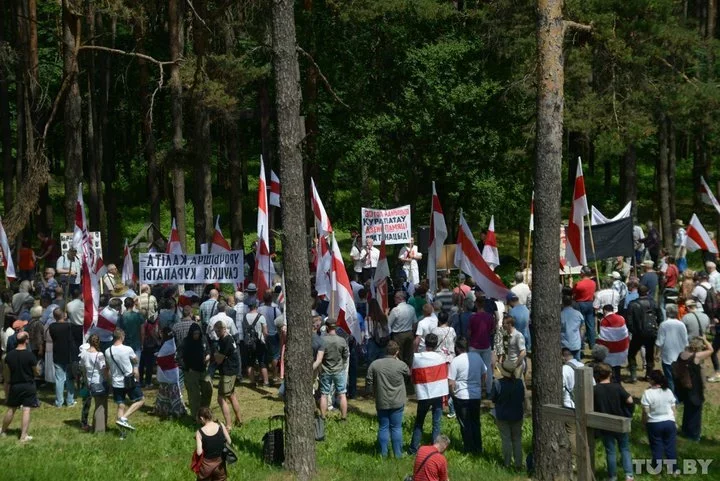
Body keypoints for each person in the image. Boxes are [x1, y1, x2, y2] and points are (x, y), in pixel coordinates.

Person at [366, 340, 410, 458]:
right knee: (396, 427)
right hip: (397, 400)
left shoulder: (375, 364)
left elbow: (369, 381)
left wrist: (370, 393)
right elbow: (409, 375)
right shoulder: (401, 365)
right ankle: (398, 454)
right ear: (397, 352)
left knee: (383, 427)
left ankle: (383, 454)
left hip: (382, 400)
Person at [593, 363, 635, 481]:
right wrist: (629, 413)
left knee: (610, 451)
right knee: (625, 449)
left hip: (605, 423)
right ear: (610, 374)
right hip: (620, 421)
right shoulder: (617, 387)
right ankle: (629, 475)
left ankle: (612, 476)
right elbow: (630, 400)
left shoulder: (595, 390)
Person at [409, 334, 447, 454]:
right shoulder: (441, 357)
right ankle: (436, 449)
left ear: (425, 344)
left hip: (424, 394)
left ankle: (414, 448)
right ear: (436, 344)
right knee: (436, 423)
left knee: (419, 422)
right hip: (438, 393)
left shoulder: (417, 357)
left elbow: (413, 375)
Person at [448, 338, 485, 454]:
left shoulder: (456, 361)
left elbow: (451, 382)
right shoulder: (477, 357)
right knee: (475, 422)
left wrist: (452, 394)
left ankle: (469, 448)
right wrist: (481, 387)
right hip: (476, 396)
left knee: (465, 423)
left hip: (461, 396)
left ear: (457, 348)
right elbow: (484, 374)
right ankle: (478, 447)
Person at [0, 332, 39, 441]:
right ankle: (23, 436)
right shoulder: (30, 355)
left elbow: (7, 373)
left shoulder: (9, 356)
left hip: (15, 385)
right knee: (26, 410)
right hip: (28, 385)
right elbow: (36, 372)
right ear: (26, 340)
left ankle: (3, 431)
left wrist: (7, 385)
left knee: (11, 409)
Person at [675, 337, 714, 441]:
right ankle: (694, 436)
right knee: (695, 412)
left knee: (687, 410)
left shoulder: (681, 355)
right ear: (698, 348)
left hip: (684, 388)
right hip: (694, 389)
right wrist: (705, 339)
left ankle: (685, 430)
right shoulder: (695, 357)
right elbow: (711, 350)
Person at [105, 329, 144, 432]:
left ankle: (122, 432)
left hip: (116, 382)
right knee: (140, 400)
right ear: (122, 337)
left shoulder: (107, 351)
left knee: (120, 405)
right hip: (129, 380)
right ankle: (124, 418)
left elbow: (108, 367)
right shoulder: (127, 349)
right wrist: (135, 368)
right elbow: (135, 360)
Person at [641, 370, 678, 474]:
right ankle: (673, 470)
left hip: (654, 423)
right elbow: (673, 408)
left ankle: (657, 470)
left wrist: (644, 422)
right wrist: (675, 421)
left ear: (651, 380)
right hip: (669, 422)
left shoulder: (647, 393)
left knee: (657, 447)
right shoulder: (668, 391)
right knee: (670, 447)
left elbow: (645, 411)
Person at [490, 359, 525, 470]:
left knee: (506, 439)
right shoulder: (519, 383)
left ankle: (507, 463)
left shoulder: (497, 383)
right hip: (517, 415)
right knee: (517, 440)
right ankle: (518, 464)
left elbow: (492, 398)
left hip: (503, 415)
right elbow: (522, 398)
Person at [313, 319, 349, 420]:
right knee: (342, 394)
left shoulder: (322, 339)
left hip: (325, 370)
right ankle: (344, 417)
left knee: (324, 394)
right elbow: (345, 355)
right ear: (335, 327)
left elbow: (319, 355)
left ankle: (323, 417)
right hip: (339, 370)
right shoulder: (342, 340)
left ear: (327, 327)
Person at [626, 285, 661, 382]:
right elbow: (660, 317)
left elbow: (629, 321)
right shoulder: (653, 303)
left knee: (631, 354)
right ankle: (648, 375)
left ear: (638, 292)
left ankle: (633, 376)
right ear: (647, 292)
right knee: (649, 354)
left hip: (638, 334)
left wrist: (634, 331)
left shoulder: (632, 304)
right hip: (651, 332)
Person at [213, 321, 242, 430]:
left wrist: (215, 354)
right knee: (231, 395)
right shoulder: (224, 339)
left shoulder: (227, 340)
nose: (217, 332)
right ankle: (239, 420)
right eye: (215, 330)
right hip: (229, 371)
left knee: (221, 398)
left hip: (228, 372)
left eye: (219, 330)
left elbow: (219, 360)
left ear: (224, 329)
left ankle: (228, 425)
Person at [655, 303, 687, 394]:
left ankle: (673, 398)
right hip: (680, 356)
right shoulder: (681, 324)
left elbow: (659, 342)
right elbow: (685, 341)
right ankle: (680, 396)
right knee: (679, 378)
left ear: (667, 313)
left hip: (668, 356)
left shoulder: (664, 325)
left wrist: (657, 354)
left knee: (670, 379)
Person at [79, 334, 108, 433]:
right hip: (98, 382)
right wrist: (107, 379)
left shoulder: (84, 354)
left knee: (91, 404)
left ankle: (90, 423)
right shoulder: (99, 355)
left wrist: (86, 380)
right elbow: (103, 369)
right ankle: (99, 428)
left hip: (89, 381)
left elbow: (82, 368)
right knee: (100, 405)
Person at [48, 308, 77, 408]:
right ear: (63, 315)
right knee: (70, 379)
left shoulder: (52, 327)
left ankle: (59, 401)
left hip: (57, 354)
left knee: (59, 379)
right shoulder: (69, 326)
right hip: (69, 355)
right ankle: (70, 400)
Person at [467, 295, 495, 394]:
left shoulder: (473, 317)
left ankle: (475, 389)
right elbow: (492, 331)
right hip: (486, 344)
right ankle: (489, 390)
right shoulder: (490, 317)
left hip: (474, 345)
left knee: (474, 368)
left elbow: (469, 333)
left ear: (476, 304)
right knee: (487, 368)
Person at [194, 406, 232, 481]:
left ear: (201, 418)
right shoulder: (220, 425)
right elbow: (229, 441)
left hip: (206, 466)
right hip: (220, 464)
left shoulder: (199, 432)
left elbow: (199, 452)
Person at [183, 323, 212, 419]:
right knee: (194, 395)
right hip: (191, 371)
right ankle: (195, 416)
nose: (196, 335)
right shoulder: (186, 342)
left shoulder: (203, 339)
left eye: (198, 333)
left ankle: (204, 412)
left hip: (203, 369)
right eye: (194, 333)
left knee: (208, 390)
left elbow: (208, 350)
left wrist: (208, 356)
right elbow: (179, 357)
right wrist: (187, 368)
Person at [596, 305, 630, 383]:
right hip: (621, 349)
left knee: (609, 369)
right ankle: (618, 382)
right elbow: (624, 333)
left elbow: (603, 337)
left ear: (604, 311)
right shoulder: (621, 318)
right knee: (617, 368)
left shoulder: (603, 321)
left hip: (609, 350)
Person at [561, 347, 584, 456]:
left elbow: (560, 388)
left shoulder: (564, 369)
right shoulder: (582, 365)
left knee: (571, 433)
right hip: (584, 405)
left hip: (569, 405)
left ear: (563, 356)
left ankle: (576, 458)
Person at [241, 300, 269, 387]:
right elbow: (265, 331)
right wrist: (264, 339)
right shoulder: (261, 317)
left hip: (248, 343)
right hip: (259, 342)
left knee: (250, 363)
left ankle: (252, 381)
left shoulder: (244, 317)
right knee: (262, 362)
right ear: (256, 306)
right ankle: (266, 382)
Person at [257, 290, 282, 382]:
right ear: (271, 299)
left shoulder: (259, 309)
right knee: (275, 356)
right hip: (274, 335)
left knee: (263, 356)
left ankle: (261, 375)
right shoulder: (277, 310)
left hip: (262, 335)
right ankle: (274, 375)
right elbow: (280, 323)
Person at [388, 291, 416, 369]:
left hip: (398, 335)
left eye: (396, 297)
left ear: (400, 298)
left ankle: (401, 371)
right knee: (408, 355)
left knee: (399, 355)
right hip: (409, 333)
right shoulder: (411, 308)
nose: (394, 299)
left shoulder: (395, 310)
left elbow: (388, 323)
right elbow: (415, 322)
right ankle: (408, 372)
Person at [573, 266, 597, 349]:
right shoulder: (593, 283)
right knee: (591, 325)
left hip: (580, 304)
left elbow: (573, 293)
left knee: (581, 326)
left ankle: (581, 345)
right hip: (590, 304)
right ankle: (592, 344)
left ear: (583, 273)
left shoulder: (578, 284)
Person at [140, 310, 161, 387]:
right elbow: (152, 332)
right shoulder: (149, 323)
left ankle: (141, 381)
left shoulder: (143, 322)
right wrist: (158, 341)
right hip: (150, 345)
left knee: (141, 364)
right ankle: (148, 382)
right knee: (149, 365)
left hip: (143, 346)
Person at [501, 316, 526, 380]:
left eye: (504, 323)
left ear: (509, 325)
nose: (502, 325)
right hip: (509, 365)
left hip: (518, 366)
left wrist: (515, 364)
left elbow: (523, 352)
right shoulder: (506, 335)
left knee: (519, 386)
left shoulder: (518, 335)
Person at [365, 298, 390, 363]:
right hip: (383, 341)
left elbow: (367, 334)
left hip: (372, 341)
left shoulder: (368, 319)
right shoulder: (383, 317)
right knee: (382, 361)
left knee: (372, 362)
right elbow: (389, 329)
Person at [560, 295, 584, 361]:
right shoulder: (578, 314)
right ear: (571, 303)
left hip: (564, 344)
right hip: (576, 343)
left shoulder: (560, 315)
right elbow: (582, 328)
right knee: (578, 363)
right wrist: (581, 340)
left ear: (563, 303)